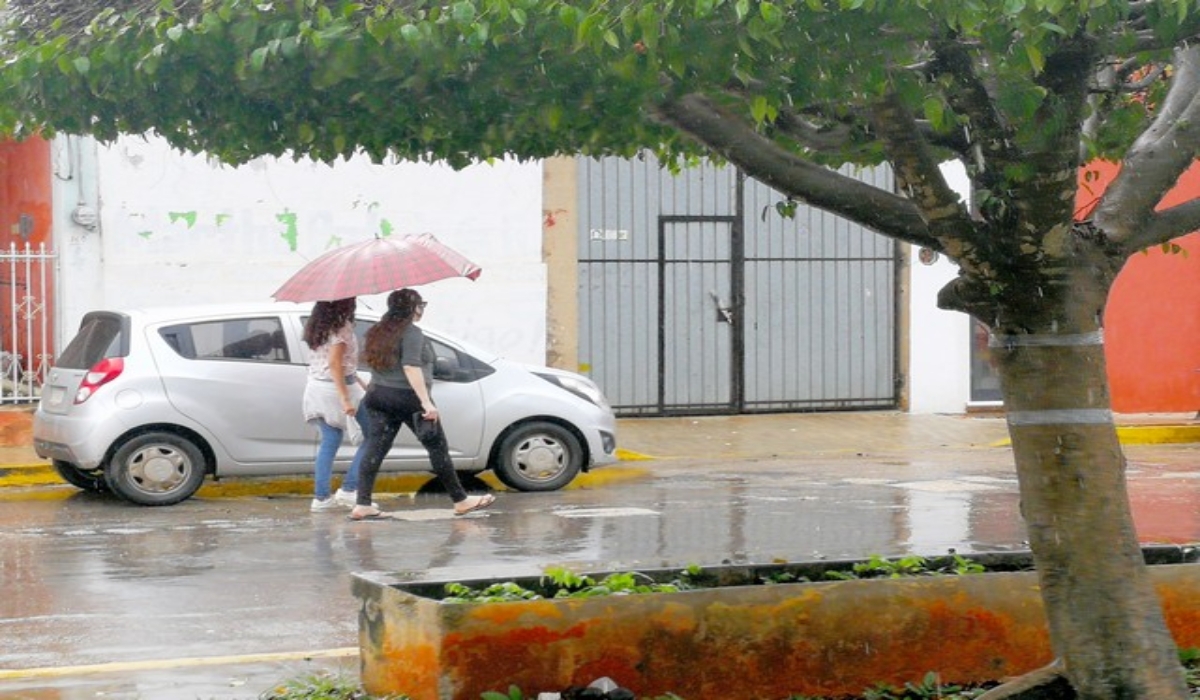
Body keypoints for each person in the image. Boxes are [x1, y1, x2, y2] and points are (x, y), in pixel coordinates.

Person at [349, 288, 495, 520]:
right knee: (437, 447)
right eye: (421, 305)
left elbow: (372, 362)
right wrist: (426, 403)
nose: (423, 309)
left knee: (375, 448)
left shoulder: (377, 331)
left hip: (377, 395)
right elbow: (410, 367)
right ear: (412, 308)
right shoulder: (411, 332)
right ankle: (461, 500)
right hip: (408, 397)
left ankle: (362, 504)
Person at [302, 297, 372, 512]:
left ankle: (321, 498)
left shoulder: (315, 326)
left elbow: (333, 364)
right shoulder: (342, 328)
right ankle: (350, 489)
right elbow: (335, 364)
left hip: (316, 387)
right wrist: (345, 399)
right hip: (336, 389)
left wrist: (359, 380)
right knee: (372, 438)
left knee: (330, 440)